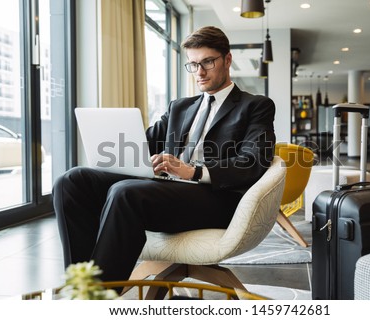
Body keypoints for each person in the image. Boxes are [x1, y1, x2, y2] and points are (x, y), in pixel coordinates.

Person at [53, 26, 276, 285]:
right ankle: (82, 284)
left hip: (217, 198)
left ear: (227, 60)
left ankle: (100, 296)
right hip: (166, 190)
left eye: (207, 62)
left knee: (126, 192)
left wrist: (193, 171)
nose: (200, 72)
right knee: (71, 181)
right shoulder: (180, 107)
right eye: (193, 65)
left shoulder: (255, 106)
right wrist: (117, 151)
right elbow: (142, 145)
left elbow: (253, 161)